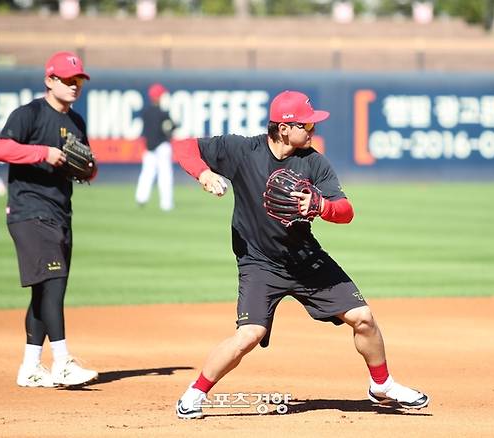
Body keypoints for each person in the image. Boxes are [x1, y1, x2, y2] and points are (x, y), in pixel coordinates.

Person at [174, 90, 429, 419]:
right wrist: (204, 174)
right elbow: (184, 147)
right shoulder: (242, 150)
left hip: (306, 259)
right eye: (307, 125)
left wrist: (322, 206)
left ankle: (382, 385)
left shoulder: (314, 162)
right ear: (283, 128)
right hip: (260, 263)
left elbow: (346, 210)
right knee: (249, 335)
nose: (312, 130)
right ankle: (194, 393)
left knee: (364, 319)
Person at [0, 51, 98, 388]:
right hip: (28, 211)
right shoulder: (29, 114)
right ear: (49, 80)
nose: (74, 85)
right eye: (67, 79)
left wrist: (88, 169)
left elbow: (87, 168)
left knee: (45, 290)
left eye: (78, 79)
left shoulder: (76, 122)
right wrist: (42, 152)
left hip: (59, 212)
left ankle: (30, 367)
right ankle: (63, 362)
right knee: (53, 283)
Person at [135, 83, 176, 211]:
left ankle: (141, 198)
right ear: (159, 96)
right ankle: (166, 203)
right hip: (162, 147)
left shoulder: (145, 112)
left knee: (147, 173)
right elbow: (171, 127)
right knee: (165, 175)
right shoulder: (163, 113)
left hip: (149, 148)